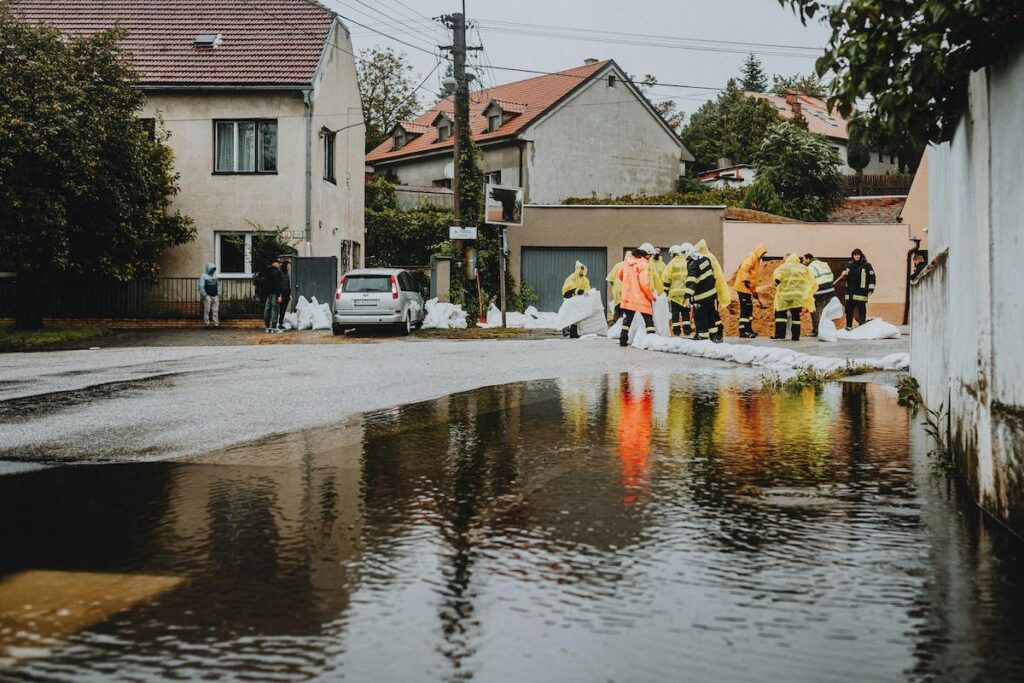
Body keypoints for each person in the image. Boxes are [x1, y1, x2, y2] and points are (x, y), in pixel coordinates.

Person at [685, 239, 726, 342]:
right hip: (711, 295)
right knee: (711, 316)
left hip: (700, 297)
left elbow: (691, 281)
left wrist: (687, 296)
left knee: (700, 318)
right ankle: (713, 336)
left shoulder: (692, 264)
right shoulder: (706, 259)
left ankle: (702, 337)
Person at [618, 243, 657, 347]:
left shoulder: (627, 261)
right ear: (646, 253)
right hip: (640, 297)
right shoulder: (643, 263)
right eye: (650, 255)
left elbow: (620, 275)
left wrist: (629, 285)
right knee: (648, 320)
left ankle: (623, 339)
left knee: (627, 319)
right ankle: (651, 340)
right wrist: (651, 296)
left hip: (628, 297)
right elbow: (644, 283)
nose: (651, 257)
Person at [771, 253, 817, 341]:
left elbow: (778, 277)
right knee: (796, 316)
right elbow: (811, 279)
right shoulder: (803, 268)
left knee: (780, 315)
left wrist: (776, 283)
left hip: (785, 296)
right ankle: (795, 336)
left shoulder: (784, 267)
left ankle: (780, 335)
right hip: (798, 298)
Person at [835, 248, 875, 330]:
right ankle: (849, 326)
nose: (856, 256)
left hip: (861, 292)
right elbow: (844, 276)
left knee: (861, 310)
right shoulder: (849, 265)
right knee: (848, 311)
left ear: (860, 255)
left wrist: (871, 289)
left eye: (858, 255)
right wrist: (844, 273)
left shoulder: (866, 265)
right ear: (852, 256)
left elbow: (872, 277)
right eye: (854, 255)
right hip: (850, 292)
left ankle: (862, 325)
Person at [733, 243, 767, 338]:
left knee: (749, 308)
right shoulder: (752, 256)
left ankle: (749, 329)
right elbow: (744, 268)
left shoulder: (756, 259)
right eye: (763, 253)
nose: (763, 255)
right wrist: (746, 280)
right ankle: (743, 330)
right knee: (745, 309)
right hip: (742, 287)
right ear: (759, 251)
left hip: (747, 289)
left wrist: (753, 290)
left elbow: (753, 277)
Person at [662, 243, 693, 336]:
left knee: (675, 313)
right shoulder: (686, 262)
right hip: (685, 293)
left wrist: (666, 291)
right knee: (685, 313)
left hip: (674, 294)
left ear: (672, 253)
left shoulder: (671, 264)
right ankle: (687, 330)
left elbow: (666, 278)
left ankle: (676, 331)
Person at [802, 253, 835, 337]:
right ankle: (827, 330)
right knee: (826, 311)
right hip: (830, 289)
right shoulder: (823, 264)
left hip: (820, 290)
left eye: (804, 260)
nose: (803, 262)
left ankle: (816, 331)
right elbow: (831, 275)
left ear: (809, 259)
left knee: (814, 310)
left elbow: (810, 282)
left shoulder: (810, 267)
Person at [561, 260, 590, 339]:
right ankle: (565, 330)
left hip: (578, 300)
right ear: (577, 269)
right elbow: (570, 289)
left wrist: (587, 294)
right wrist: (578, 291)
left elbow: (587, 290)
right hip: (569, 298)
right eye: (580, 269)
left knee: (576, 316)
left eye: (582, 269)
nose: (581, 271)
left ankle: (573, 333)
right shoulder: (572, 277)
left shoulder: (585, 280)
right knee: (568, 314)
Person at [263, 257, 287, 333]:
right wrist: (279, 295)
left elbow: (265, 284)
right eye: (277, 263)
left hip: (268, 294)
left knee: (267, 310)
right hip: (274, 294)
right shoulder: (276, 272)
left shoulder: (267, 271)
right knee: (274, 310)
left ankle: (267, 326)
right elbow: (277, 285)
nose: (279, 264)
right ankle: (274, 327)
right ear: (273, 263)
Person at [198, 262, 220, 328]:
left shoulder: (215, 275)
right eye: (212, 269)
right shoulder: (203, 276)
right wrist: (205, 295)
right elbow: (201, 286)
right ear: (208, 268)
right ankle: (206, 324)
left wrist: (218, 294)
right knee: (207, 310)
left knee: (215, 310)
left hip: (215, 295)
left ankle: (216, 324)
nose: (213, 270)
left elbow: (218, 285)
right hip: (207, 295)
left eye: (214, 269)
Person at [277, 260, 292, 330]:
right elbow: (278, 284)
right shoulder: (280, 272)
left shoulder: (287, 274)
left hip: (286, 294)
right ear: (285, 266)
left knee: (283, 310)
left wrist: (289, 294)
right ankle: (277, 323)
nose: (289, 267)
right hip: (281, 294)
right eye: (288, 265)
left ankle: (280, 323)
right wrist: (279, 295)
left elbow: (288, 285)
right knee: (280, 309)